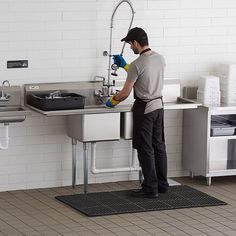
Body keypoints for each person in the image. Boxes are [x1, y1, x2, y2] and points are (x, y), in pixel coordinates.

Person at [106, 27, 169, 198]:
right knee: (159, 146)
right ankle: (162, 185)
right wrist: (125, 65)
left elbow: (125, 93)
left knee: (144, 148)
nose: (130, 48)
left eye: (129, 44)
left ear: (135, 42)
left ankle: (150, 188)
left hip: (144, 108)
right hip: (158, 106)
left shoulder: (137, 64)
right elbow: (144, 74)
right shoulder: (159, 59)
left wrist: (111, 101)